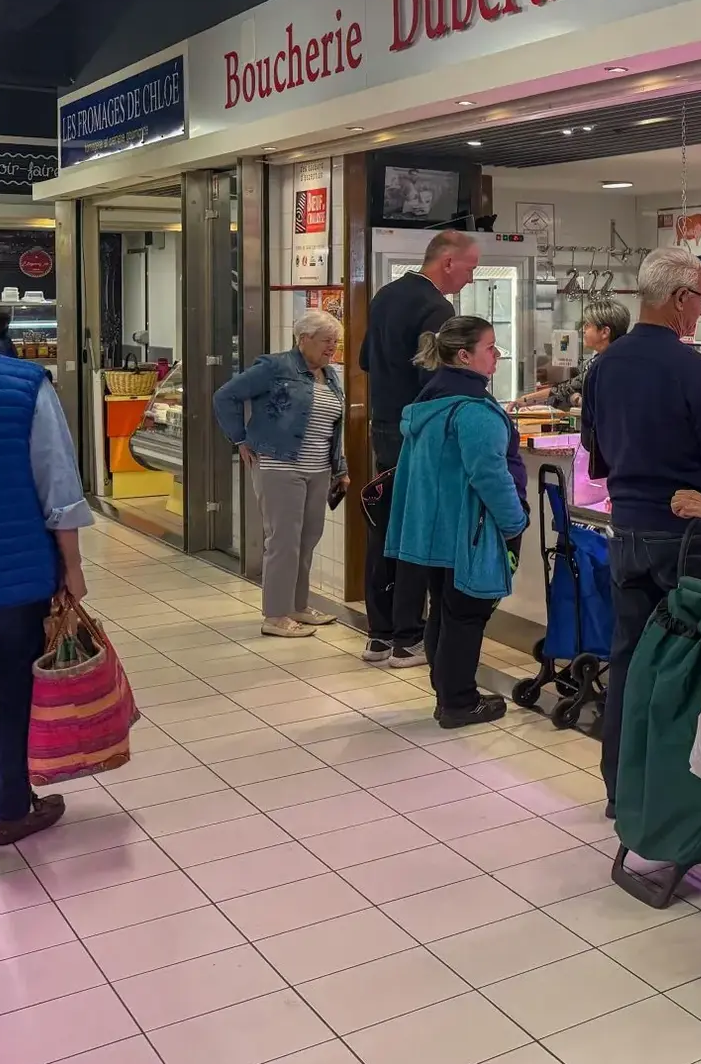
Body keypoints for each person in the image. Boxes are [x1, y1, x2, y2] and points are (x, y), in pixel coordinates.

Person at [583, 246, 701, 805]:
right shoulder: (694, 370)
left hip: (626, 531)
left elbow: (596, 452)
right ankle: (676, 799)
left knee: (629, 659)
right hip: (687, 539)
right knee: (687, 666)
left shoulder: (604, 365)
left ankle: (622, 788)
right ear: (679, 298)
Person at [0, 275, 90, 861]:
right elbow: (59, 485)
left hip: (11, 572)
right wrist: (73, 567)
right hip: (16, 575)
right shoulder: (26, 384)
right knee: (13, 688)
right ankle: (12, 808)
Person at [383, 316, 529, 728]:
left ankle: (447, 692)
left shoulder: (430, 402)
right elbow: (490, 476)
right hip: (472, 530)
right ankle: (459, 701)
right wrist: (514, 522)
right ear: (464, 356)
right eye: (490, 348)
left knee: (446, 612)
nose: (497, 356)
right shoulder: (474, 411)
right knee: (467, 614)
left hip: (436, 530)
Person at [360, 229, 480, 666]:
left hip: (383, 426)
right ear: (447, 262)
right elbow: (435, 380)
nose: (471, 277)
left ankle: (379, 633)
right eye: (470, 267)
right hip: (419, 434)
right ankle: (408, 637)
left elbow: (365, 360)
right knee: (416, 532)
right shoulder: (437, 308)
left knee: (384, 527)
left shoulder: (385, 296)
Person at [212, 310, 349, 637]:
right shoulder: (275, 367)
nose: (332, 347)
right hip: (280, 465)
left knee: (308, 538)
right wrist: (240, 438)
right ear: (304, 339)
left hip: (318, 469)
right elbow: (225, 396)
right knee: (284, 541)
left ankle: (297, 606)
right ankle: (275, 615)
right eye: (326, 340)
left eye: (335, 341)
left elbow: (333, 428)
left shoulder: (329, 375)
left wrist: (340, 468)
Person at [516, 298, 630, 409]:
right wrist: (525, 400)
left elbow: (567, 391)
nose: (582, 330)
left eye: (587, 325)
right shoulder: (599, 360)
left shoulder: (611, 365)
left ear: (605, 332)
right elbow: (569, 386)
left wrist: (576, 399)